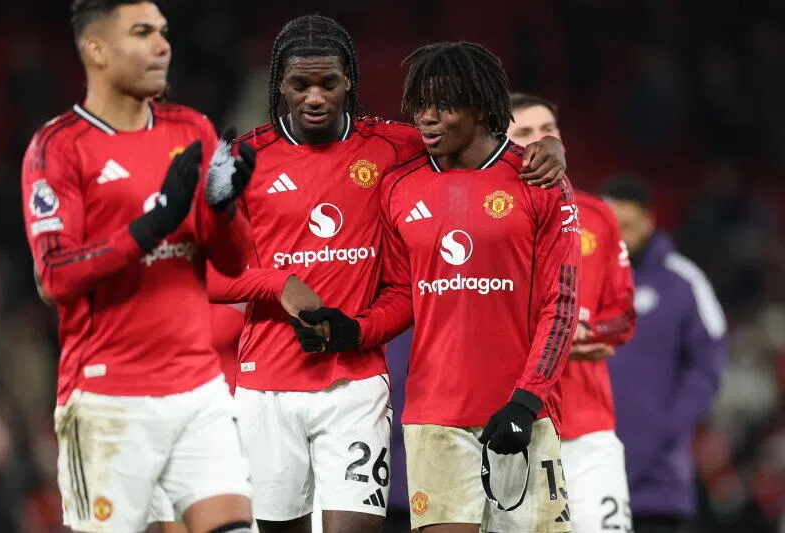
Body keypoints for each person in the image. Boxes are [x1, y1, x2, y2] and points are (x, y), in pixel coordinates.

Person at [206, 16, 568, 533]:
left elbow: (478, 134)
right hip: (266, 385)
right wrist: (277, 284)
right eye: (299, 84)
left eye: (328, 83)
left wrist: (550, 147)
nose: (314, 97)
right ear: (278, 86)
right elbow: (205, 277)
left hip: (355, 383)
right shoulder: (247, 158)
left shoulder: (395, 146)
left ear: (350, 79)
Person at [297, 41, 580, 533]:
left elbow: (562, 303)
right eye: (420, 105)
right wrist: (354, 331)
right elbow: (404, 292)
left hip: (520, 412)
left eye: (444, 105)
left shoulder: (538, 179)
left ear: (481, 107)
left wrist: (526, 400)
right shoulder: (399, 186)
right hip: (434, 415)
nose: (426, 118)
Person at [21, 1, 258, 531]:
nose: (162, 45)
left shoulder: (190, 128)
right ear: (97, 50)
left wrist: (224, 211)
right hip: (108, 400)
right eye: (142, 33)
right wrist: (152, 225)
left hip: (198, 390)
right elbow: (53, 275)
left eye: (164, 32)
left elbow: (234, 260)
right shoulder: (58, 148)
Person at [508, 94, 638, 533]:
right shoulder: (488, 219)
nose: (540, 140)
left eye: (548, 129)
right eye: (524, 133)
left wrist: (586, 332)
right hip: (516, 425)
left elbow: (623, 315)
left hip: (589, 427)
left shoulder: (598, 216)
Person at [601, 174, 727, 533]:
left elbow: (709, 365)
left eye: (628, 225)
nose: (620, 235)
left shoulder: (683, 282)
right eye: (612, 225)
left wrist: (667, 426)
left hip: (657, 484)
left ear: (649, 221)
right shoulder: (580, 279)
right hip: (584, 473)